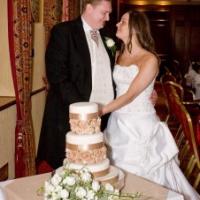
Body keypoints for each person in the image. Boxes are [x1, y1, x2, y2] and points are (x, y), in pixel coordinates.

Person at [37, 0, 157, 170]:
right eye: (104, 12)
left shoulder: (108, 37)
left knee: (99, 170)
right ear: (89, 8)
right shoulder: (64, 32)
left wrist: (146, 92)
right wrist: (85, 111)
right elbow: (58, 77)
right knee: (68, 172)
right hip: (71, 118)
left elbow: (118, 76)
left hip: (108, 120)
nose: (108, 18)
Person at [101, 11, 200, 200]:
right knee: (115, 176)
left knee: (144, 178)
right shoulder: (118, 54)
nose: (116, 24)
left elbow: (130, 95)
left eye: (123, 21)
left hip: (139, 127)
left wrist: (102, 110)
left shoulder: (150, 59)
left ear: (136, 28)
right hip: (117, 123)